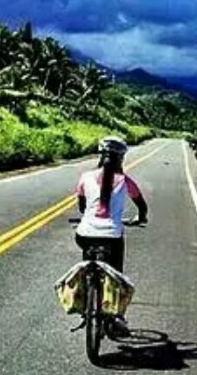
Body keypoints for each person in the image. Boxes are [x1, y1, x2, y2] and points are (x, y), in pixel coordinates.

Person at [74, 136, 148, 334]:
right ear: (121, 159)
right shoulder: (126, 181)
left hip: (85, 234)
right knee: (116, 275)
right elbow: (142, 207)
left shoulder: (85, 177)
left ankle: (84, 303)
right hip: (112, 236)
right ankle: (115, 316)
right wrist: (140, 218)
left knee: (87, 263)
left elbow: (82, 207)